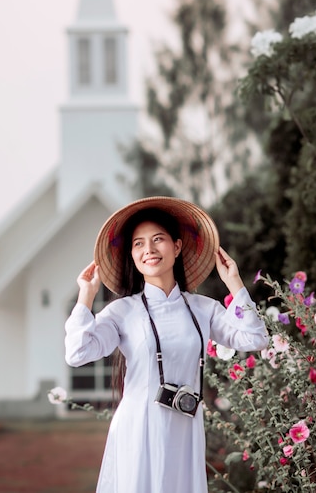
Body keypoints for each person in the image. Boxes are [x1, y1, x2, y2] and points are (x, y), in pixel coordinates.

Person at [65, 196, 268, 493]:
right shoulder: (123, 311)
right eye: (138, 243)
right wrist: (86, 295)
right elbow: (77, 352)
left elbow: (255, 337)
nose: (148, 250)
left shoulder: (202, 308)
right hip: (138, 429)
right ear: (132, 255)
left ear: (176, 246)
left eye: (158, 239)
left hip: (185, 427)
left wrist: (234, 283)